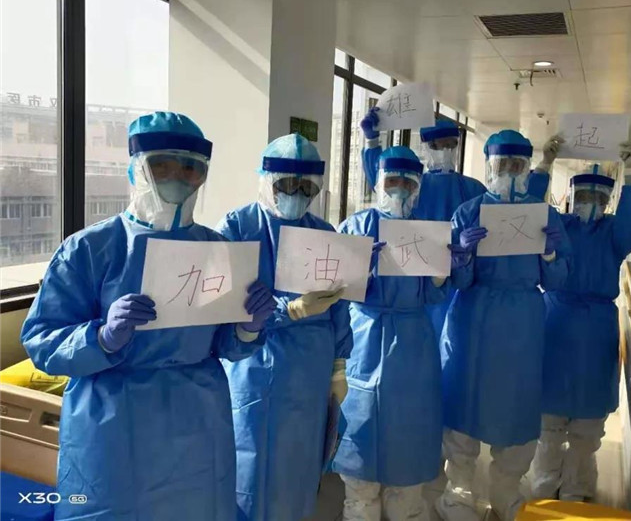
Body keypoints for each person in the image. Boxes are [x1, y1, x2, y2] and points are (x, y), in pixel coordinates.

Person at [21, 112, 276, 521]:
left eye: (190, 168)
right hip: (113, 421)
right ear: (137, 169)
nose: (177, 177)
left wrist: (247, 328)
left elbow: (225, 344)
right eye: (162, 165)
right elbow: (42, 341)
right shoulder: (89, 248)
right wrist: (101, 338)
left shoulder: (218, 250)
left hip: (198, 417)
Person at [217, 133, 352, 521]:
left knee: (299, 462)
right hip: (252, 364)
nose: (297, 194)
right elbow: (223, 304)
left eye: (307, 187)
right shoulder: (237, 227)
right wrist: (287, 310)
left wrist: (339, 366)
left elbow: (339, 305)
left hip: (310, 371)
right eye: (287, 185)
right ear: (266, 181)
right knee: (249, 459)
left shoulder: (324, 233)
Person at [438, 130, 571, 521]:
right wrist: (462, 257)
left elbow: (558, 281)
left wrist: (550, 255)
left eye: (517, 165)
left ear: (527, 169)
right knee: (464, 400)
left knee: (516, 404)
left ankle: (506, 490)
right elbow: (457, 282)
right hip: (472, 321)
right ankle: (460, 491)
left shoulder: (544, 216)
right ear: (489, 166)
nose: (510, 173)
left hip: (522, 325)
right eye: (502, 164)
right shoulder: (468, 212)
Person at [359, 110, 556, 336]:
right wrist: (372, 141)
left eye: (450, 144)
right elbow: (385, 183)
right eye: (437, 145)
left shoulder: (472, 189)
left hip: (460, 282)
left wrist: (544, 165)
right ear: (426, 146)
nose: (444, 151)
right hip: (417, 280)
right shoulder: (414, 185)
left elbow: (518, 210)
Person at [333, 146, 449, 521]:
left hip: (413, 342)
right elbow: (334, 291)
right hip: (363, 338)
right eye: (392, 181)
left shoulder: (427, 233)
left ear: (418, 187)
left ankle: (407, 508)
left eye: (408, 183)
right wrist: (358, 270)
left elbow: (433, 294)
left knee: (408, 433)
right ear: (378, 182)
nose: (399, 189)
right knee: (360, 431)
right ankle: (360, 508)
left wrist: (442, 273)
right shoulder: (355, 227)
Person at [532, 145, 631, 503]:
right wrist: (545, 164)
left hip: (596, 331)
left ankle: (577, 490)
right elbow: (529, 211)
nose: (590, 203)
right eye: (583, 196)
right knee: (548, 422)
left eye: (598, 197)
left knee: (587, 427)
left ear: (608, 201)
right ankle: (543, 487)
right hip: (555, 323)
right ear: (572, 197)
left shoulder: (613, 233)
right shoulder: (560, 226)